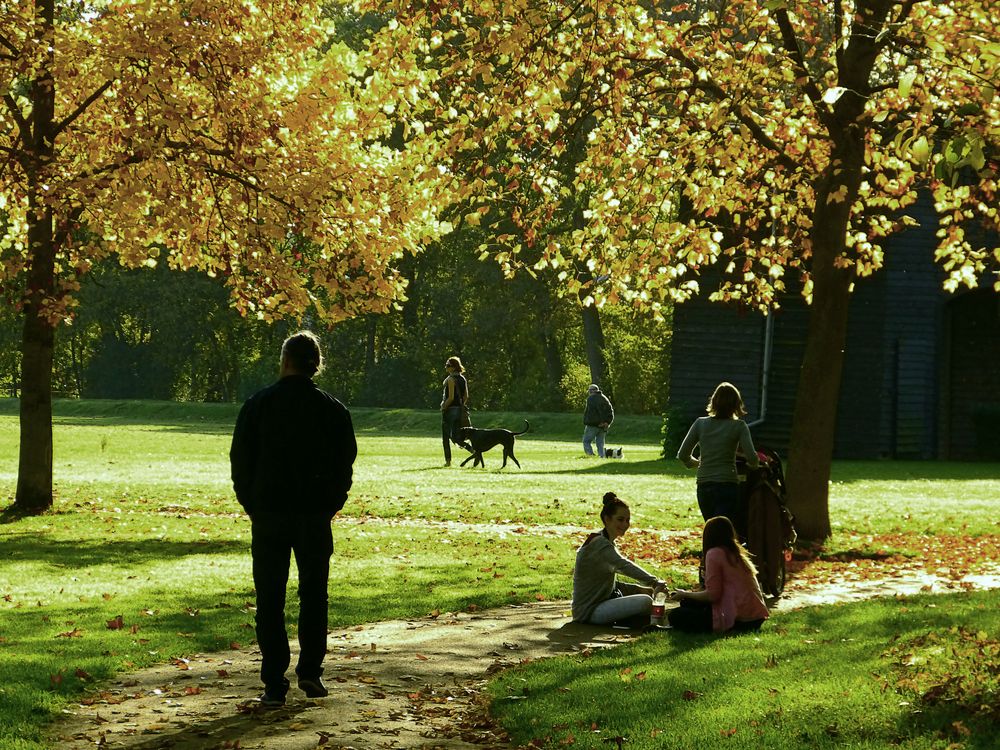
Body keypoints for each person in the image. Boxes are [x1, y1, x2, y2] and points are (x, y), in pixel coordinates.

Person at [230, 331, 357, 708]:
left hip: (269, 512)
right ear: (316, 364)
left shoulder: (258, 405)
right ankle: (311, 671)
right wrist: (332, 503)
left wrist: (252, 504)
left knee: (270, 597)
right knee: (314, 594)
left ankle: (273, 681)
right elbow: (344, 465)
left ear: (284, 360)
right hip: (314, 514)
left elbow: (241, 462)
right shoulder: (332, 410)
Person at [572, 492, 666, 626]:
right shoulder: (599, 544)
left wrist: (638, 589)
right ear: (607, 519)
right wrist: (654, 582)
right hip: (589, 612)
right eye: (620, 519)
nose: (625, 524)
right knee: (646, 601)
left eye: (628, 520)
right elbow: (623, 565)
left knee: (645, 599)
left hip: (598, 606)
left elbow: (604, 583)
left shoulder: (603, 540)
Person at [667, 516, 769, 634]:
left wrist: (685, 593)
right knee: (687, 603)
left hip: (739, 617)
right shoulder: (737, 553)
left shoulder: (714, 554)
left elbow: (712, 595)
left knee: (676, 615)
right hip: (756, 616)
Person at [676, 381, 758, 526]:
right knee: (724, 530)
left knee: (711, 528)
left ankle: (710, 549)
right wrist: (753, 465)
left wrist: (698, 464)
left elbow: (683, 454)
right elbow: (752, 458)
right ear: (736, 404)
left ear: (714, 402)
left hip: (704, 484)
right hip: (727, 483)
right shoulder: (739, 426)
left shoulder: (700, 423)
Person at [440, 355, 472, 466]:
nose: (446, 367)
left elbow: (451, 397)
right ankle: (473, 451)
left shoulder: (450, 379)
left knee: (446, 436)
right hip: (459, 410)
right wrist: (461, 405)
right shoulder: (463, 378)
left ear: (453, 367)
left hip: (450, 410)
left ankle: (448, 461)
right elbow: (466, 396)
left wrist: (444, 406)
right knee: (457, 437)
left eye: (448, 366)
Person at [582, 383, 614, 458]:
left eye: (589, 391)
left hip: (593, 425)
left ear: (592, 391)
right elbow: (610, 411)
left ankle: (590, 455)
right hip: (604, 425)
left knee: (586, 441)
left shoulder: (591, 399)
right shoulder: (604, 398)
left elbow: (593, 413)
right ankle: (602, 456)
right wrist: (607, 422)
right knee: (600, 443)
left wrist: (600, 422)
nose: (589, 393)